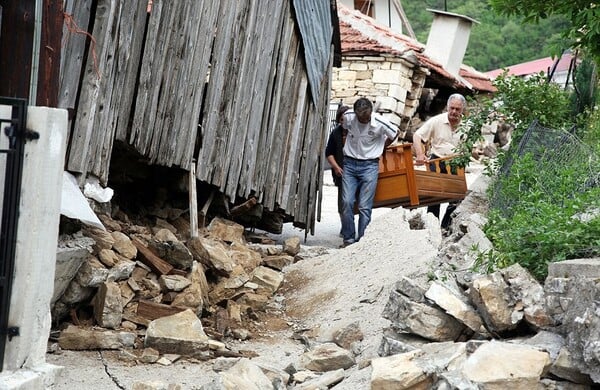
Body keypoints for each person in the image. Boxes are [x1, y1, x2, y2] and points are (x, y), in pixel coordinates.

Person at [340, 97, 398, 246]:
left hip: (370, 166)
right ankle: (348, 238)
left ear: (371, 113)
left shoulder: (380, 122)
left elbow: (395, 133)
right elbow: (343, 129)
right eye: (361, 118)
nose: (364, 121)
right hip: (350, 163)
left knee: (365, 206)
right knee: (346, 201)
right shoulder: (348, 117)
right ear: (356, 114)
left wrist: (383, 147)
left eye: (366, 118)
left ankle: (363, 241)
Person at [412, 93, 467, 231]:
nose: (454, 112)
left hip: (456, 163)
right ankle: (431, 229)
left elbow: (470, 147)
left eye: (457, 109)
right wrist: (420, 154)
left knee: (456, 198)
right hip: (437, 160)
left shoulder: (468, 126)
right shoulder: (437, 121)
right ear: (447, 107)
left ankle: (445, 228)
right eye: (452, 108)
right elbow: (417, 135)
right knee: (434, 198)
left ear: (462, 110)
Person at [325, 105, 351, 234]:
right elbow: (329, 153)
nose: (344, 122)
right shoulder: (335, 133)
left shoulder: (356, 131)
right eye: (342, 120)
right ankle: (345, 227)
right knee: (343, 201)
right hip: (341, 172)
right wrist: (336, 167)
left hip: (355, 172)